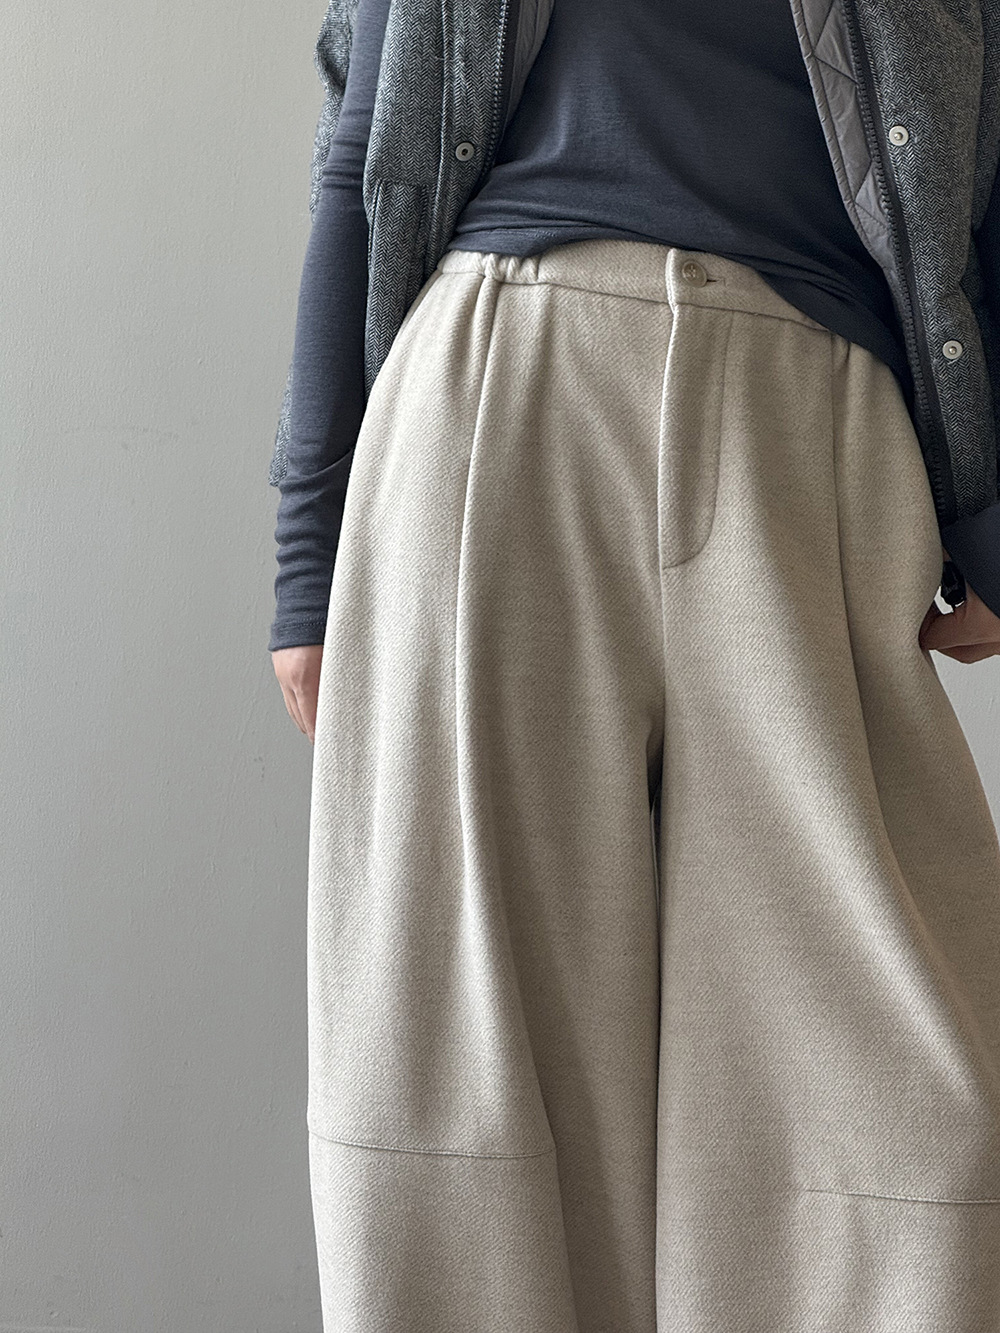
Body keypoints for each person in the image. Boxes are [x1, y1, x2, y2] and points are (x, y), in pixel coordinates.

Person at [269, 0, 1000, 1327]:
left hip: (817, 427)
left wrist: (987, 514)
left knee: (899, 1118)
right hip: (495, 397)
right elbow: (365, 145)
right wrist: (309, 551)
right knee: (471, 1096)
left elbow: (986, 153)